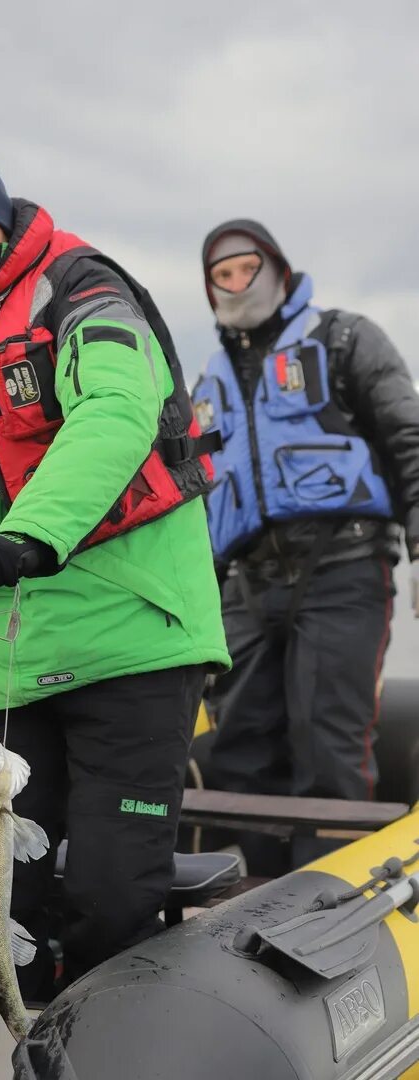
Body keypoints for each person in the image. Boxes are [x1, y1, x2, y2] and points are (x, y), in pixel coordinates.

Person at [0, 138, 230, 998]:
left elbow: (117, 411)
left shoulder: (83, 290)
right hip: (9, 656)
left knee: (105, 893)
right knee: (12, 896)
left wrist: (29, 536)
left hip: (134, 635)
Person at [192, 218, 419, 874]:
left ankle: (333, 904)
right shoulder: (206, 385)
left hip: (344, 566)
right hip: (245, 584)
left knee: (328, 748)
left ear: (279, 270)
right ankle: (253, 900)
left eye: (247, 268)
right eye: (222, 274)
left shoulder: (347, 340)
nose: (237, 283)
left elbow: (407, 435)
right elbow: (194, 499)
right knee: (236, 749)